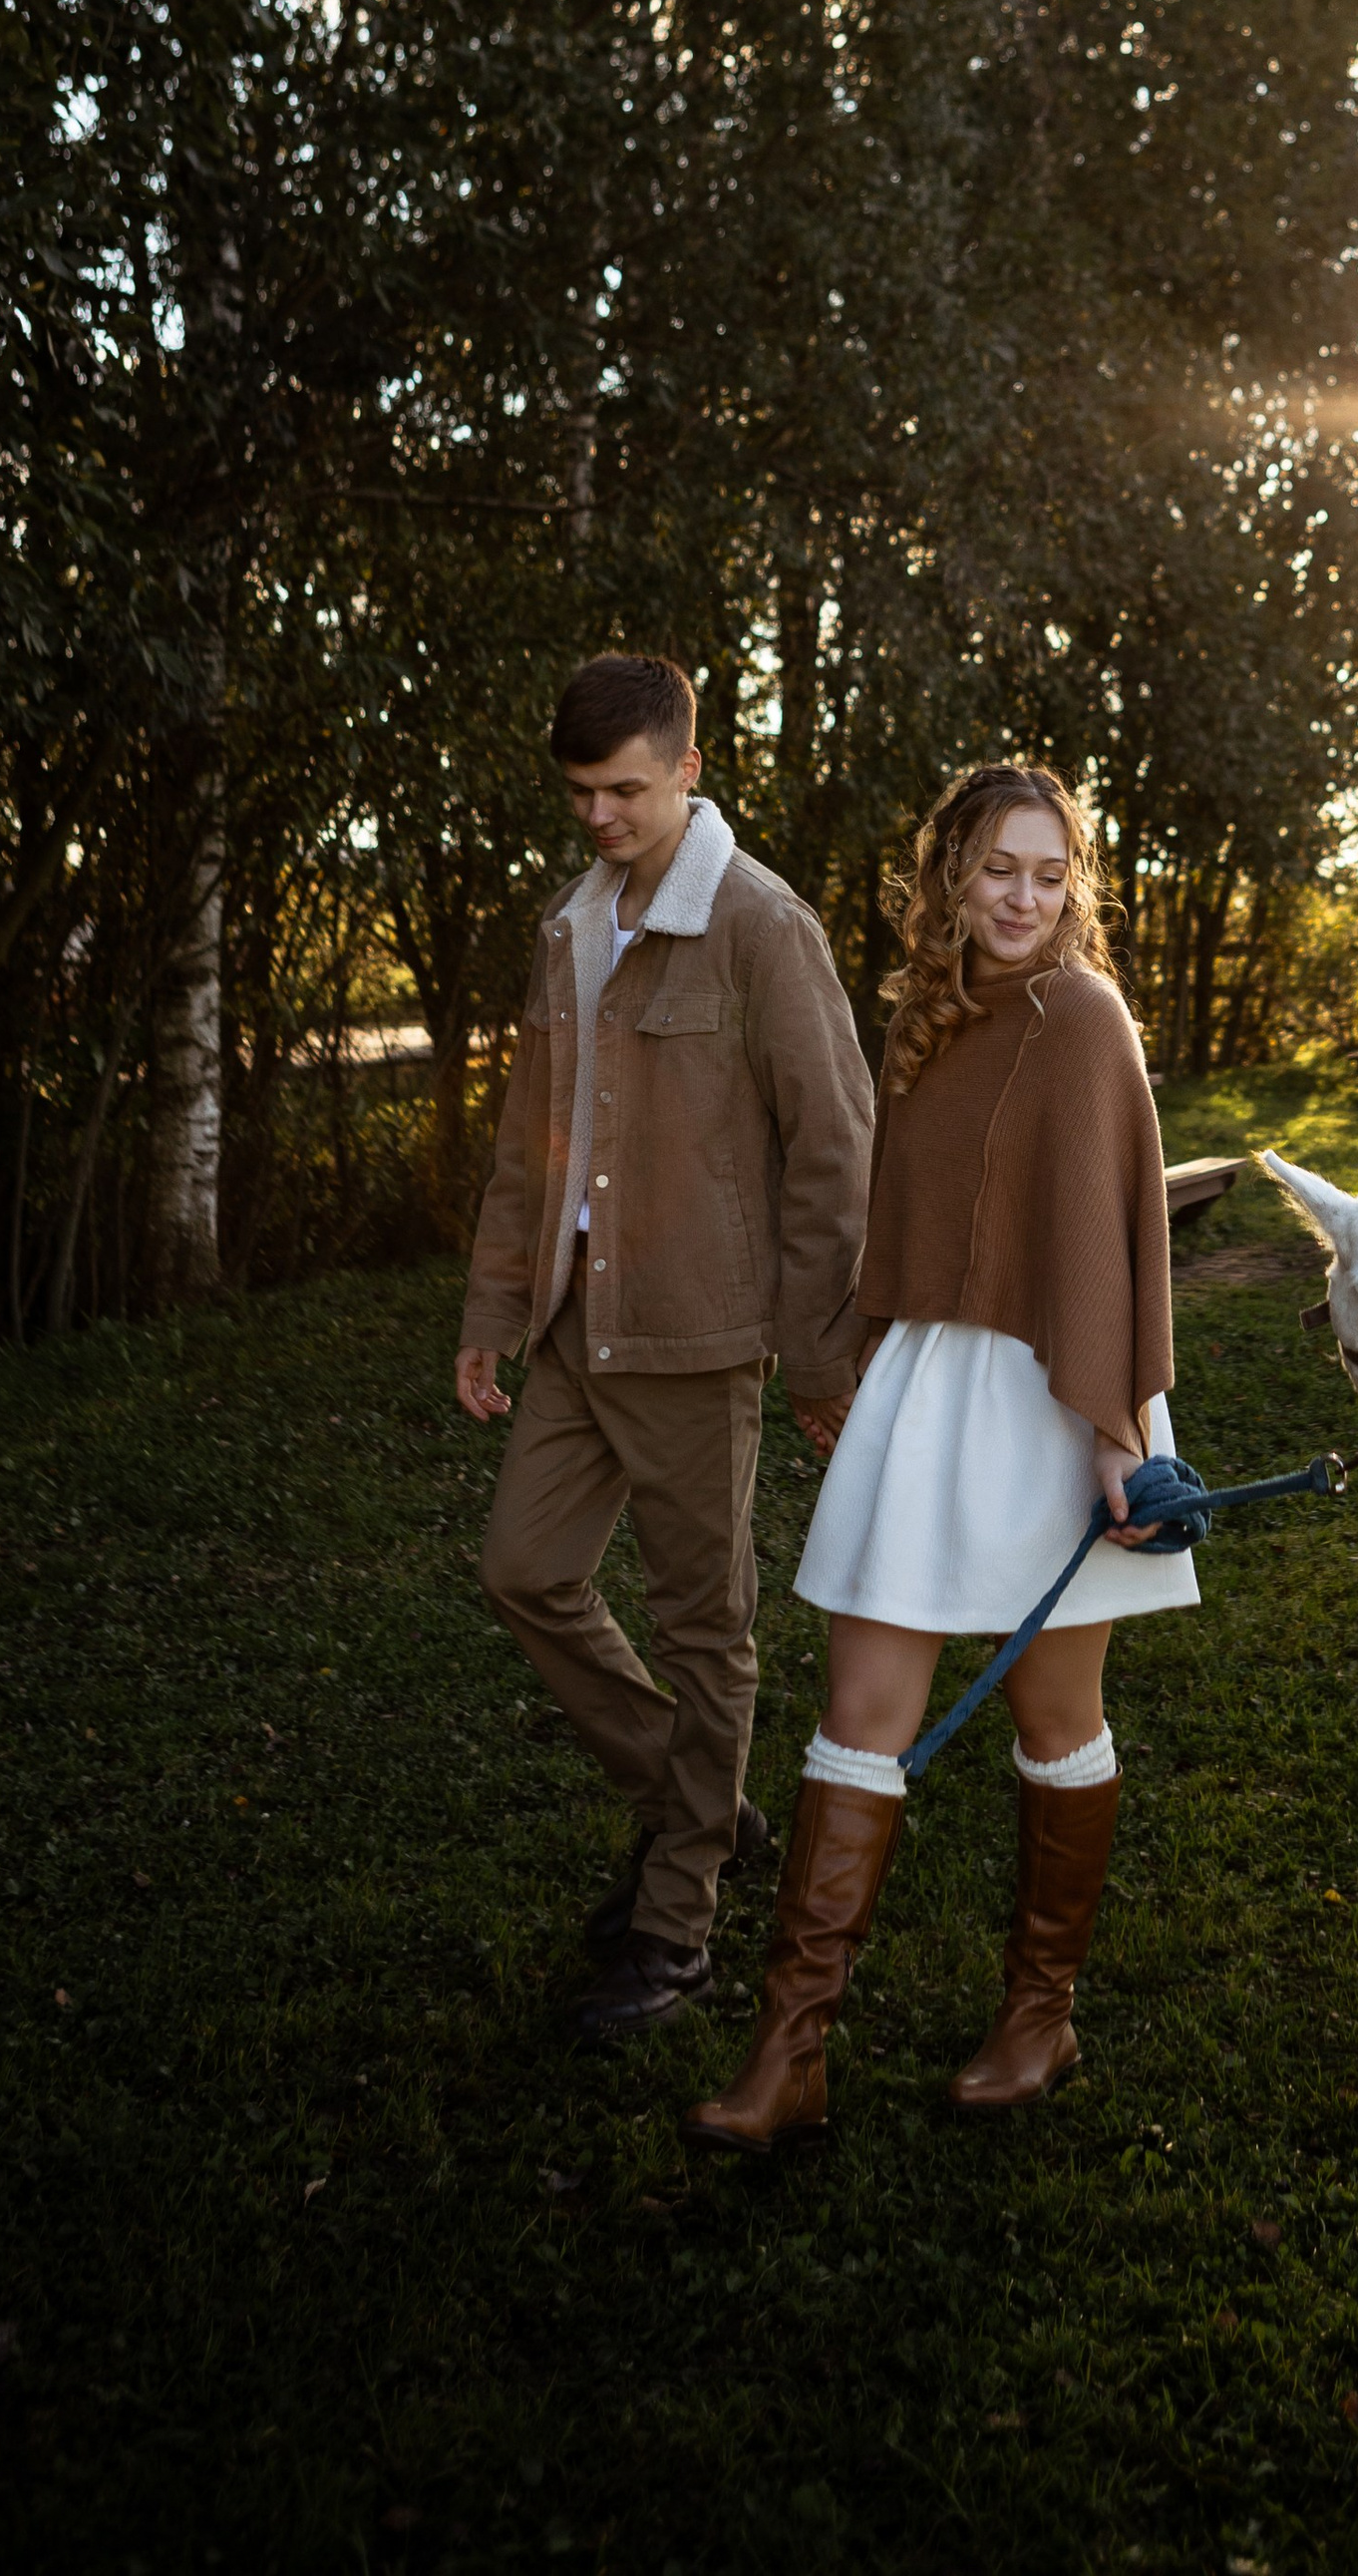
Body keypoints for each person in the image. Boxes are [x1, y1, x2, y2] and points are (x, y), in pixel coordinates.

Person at [684, 759, 1190, 2153]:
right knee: (861, 1704)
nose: (1024, 898)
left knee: (1053, 1718)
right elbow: (898, 1215)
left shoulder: (1087, 1020)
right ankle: (791, 2053)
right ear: (951, 879)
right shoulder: (928, 1014)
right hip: (933, 1386)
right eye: (998, 871)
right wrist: (855, 1363)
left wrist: (1116, 1439)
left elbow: (1107, 1240)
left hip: (1055, 1399)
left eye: (1049, 874)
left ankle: (1042, 2012)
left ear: (1070, 886)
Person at [457, 652, 873, 2047]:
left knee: (710, 1635)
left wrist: (817, 1359)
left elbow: (835, 1153)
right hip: (577, 1330)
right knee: (525, 1572)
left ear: (689, 768)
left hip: (702, 1344)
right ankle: (703, 1805)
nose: (599, 818)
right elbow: (531, 1149)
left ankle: (678, 1925)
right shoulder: (570, 927)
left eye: (624, 789)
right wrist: (493, 1315)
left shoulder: (762, 925)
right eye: (580, 793)